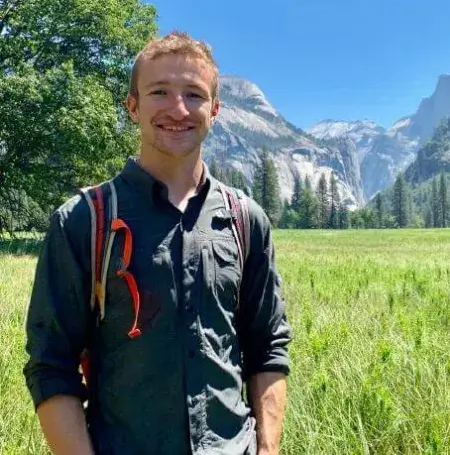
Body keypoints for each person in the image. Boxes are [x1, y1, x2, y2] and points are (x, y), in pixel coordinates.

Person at [23, 31, 292, 455]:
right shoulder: (83, 221)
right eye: (160, 92)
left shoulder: (246, 220)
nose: (178, 109)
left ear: (216, 110)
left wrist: (268, 448)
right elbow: (50, 364)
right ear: (133, 106)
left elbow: (268, 347)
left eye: (194, 94)